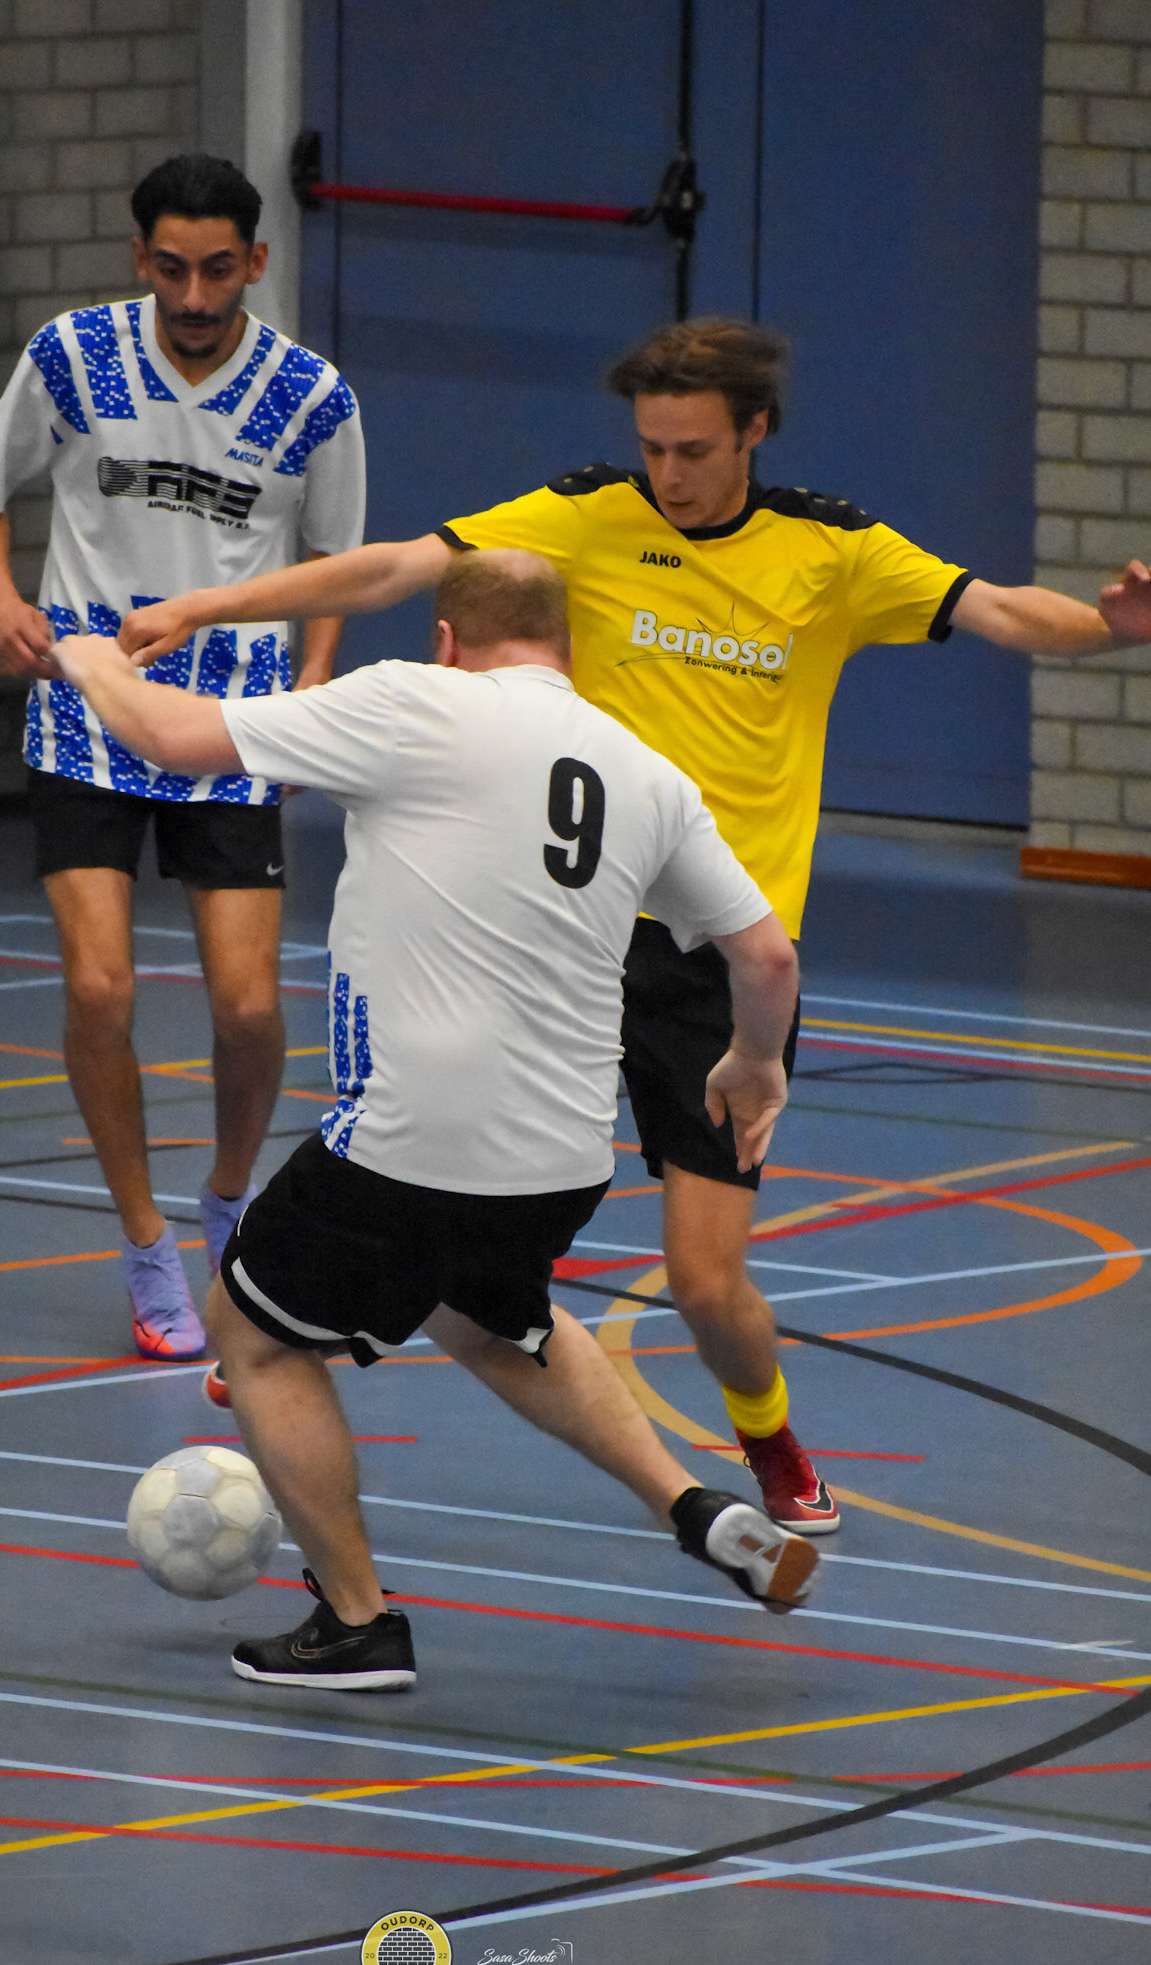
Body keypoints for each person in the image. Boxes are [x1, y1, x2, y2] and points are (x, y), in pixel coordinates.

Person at [114, 316, 1151, 1535]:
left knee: (705, 1280)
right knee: (429, 1135)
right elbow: (393, 568)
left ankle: (768, 1436)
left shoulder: (832, 550)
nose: (669, 472)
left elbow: (1004, 612)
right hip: (569, 922)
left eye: (694, 450)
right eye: (654, 446)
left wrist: (1111, 628)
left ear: (755, 432)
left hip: (719, 957)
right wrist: (213, 604)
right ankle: (294, 1312)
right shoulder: (588, 514)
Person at [56, 548, 819, 1691]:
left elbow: (167, 735)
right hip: (565, 1153)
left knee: (252, 1332)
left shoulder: (411, 701)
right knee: (488, 1315)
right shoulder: (644, 768)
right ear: (565, 647)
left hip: (415, 1136)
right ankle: (694, 1504)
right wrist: (755, 1061)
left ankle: (356, 1621)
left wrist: (83, 658)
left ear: (449, 640)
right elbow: (766, 956)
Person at [0, 153, 365, 1362]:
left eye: (219, 269)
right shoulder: (71, 356)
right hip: (87, 707)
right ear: (141, 257)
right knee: (100, 988)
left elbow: (336, 559)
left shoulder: (312, 397)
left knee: (248, 1004)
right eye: (172, 268)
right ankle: (145, 1243)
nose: (194, 295)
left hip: (233, 722)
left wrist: (314, 682)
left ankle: (229, 1198)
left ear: (258, 261)